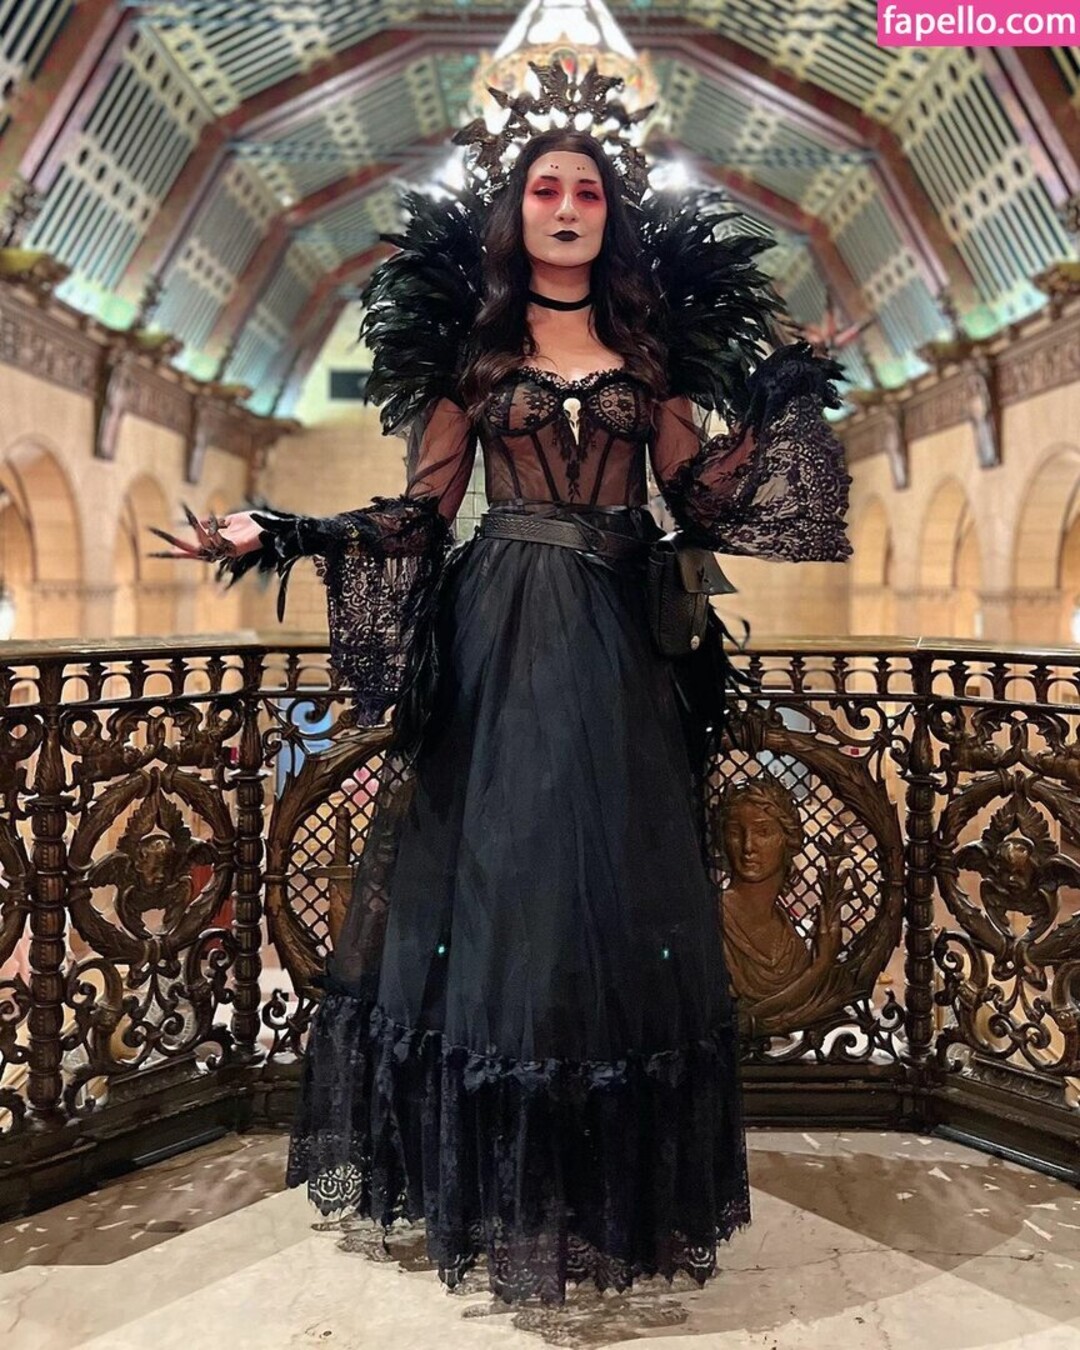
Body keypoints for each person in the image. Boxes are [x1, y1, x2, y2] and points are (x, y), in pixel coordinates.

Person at [156, 96, 850, 1305]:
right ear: (516, 213)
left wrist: (785, 394)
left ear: (610, 215)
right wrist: (282, 528)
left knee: (614, 894)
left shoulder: (650, 354)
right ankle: (498, 1189)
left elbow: (698, 498)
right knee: (508, 882)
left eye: (587, 191)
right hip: (504, 631)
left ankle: (601, 1191)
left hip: (622, 640)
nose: (567, 207)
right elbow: (420, 515)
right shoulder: (471, 353)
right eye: (546, 190)